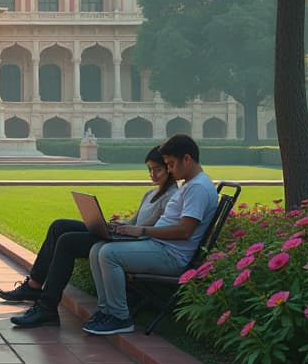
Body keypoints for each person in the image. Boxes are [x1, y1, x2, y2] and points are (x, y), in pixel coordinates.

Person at [4, 147, 177, 328]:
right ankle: (34, 285)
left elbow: (152, 227)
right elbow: (134, 220)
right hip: (123, 234)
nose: (152, 174)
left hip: (133, 242)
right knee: (59, 226)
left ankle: (47, 307)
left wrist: (125, 229)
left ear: (169, 168)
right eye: (149, 169)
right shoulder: (150, 194)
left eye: (157, 169)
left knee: (68, 242)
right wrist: (117, 224)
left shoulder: (171, 196)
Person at [83, 133, 218, 335]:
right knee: (97, 249)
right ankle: (107, 311)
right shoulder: (191, 185)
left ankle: (120, 317)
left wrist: (142, 230)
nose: (169, 170)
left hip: (172, 255)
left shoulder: (197, 188)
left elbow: (185, 230)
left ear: (187, 159)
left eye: (171, 164)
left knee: (108, 253)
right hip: (160, 246)